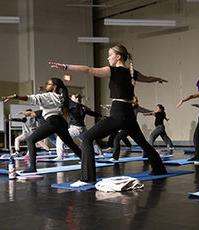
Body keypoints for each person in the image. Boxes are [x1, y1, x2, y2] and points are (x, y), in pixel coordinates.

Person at [49, 44, 168, 186]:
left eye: (110, 54)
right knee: (143, 143)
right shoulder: (132, 72)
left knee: (86, 137)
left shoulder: (112, 70)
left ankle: (87, 178)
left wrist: (65, 66)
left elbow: (88, 70)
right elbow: (148, 78)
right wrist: (158, 79)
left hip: (118, 113)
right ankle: (159, 169)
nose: (108, 57)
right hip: (128, 114)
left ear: (118, 57)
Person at [2, 78, 82, 173]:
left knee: (31, 139)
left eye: (48, 83)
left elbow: (30, 98)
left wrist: (15, 96)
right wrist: (31, 113)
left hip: (53, 121)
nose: (46, 85)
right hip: (61, 122)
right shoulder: (61, 97)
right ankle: (87, 160)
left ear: (54, 86)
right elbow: (48, 110)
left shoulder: (47, 96)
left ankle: (32, 167)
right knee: (71, 144)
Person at [55, 93, 103, 160]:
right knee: (90, 140)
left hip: (75, 128)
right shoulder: (83, 107)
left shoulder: (74, 106)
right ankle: (100, 153)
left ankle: (60, 156)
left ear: (75, 98)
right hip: (82, 128)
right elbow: (92, 113)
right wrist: (101, 116)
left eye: (72, 98)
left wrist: (62, 93)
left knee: (60, 138)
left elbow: (67, 100)